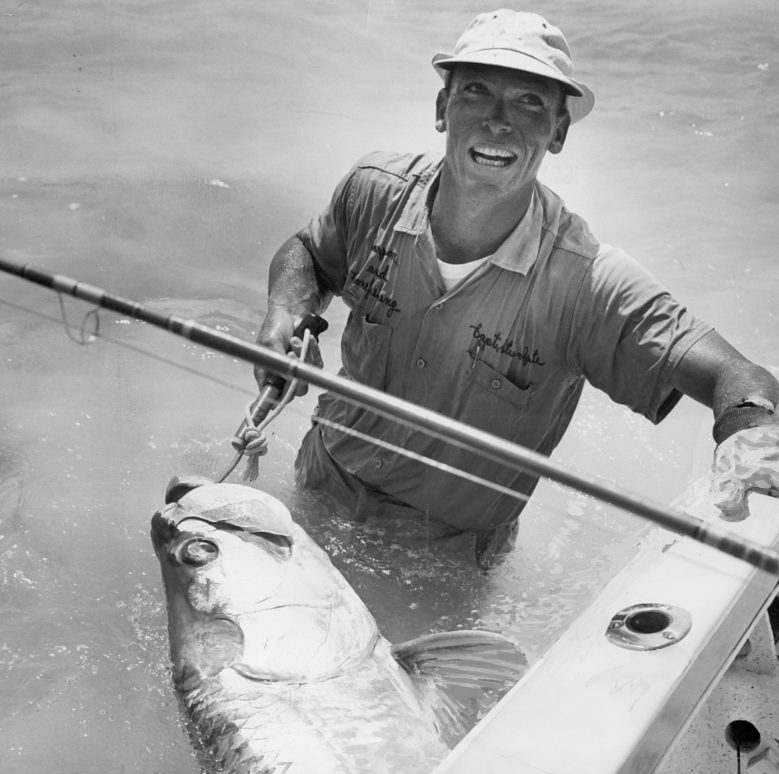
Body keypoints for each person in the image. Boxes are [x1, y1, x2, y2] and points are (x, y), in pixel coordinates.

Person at [254, 9, 779, 567]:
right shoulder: (372, 193)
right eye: (476, 91)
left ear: (558, 132)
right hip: (316, 486)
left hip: (444, 557)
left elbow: (738, 376)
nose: (497, 121)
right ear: (442, 109)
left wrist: (750, 439)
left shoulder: (588, 282)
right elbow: (310, 253)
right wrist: (284, 312)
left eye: (529, 102)